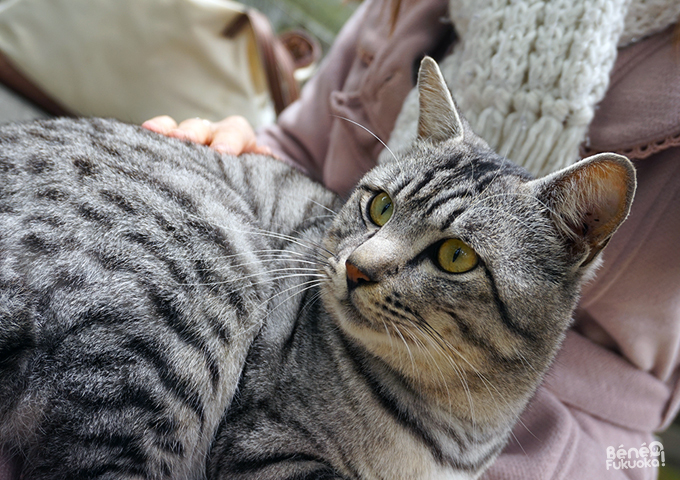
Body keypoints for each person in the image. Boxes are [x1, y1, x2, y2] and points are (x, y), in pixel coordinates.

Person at [143, 0, 680, 478]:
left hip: (555, 443)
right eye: (380, 208)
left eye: (453, 254)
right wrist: (241, 158)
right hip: (302, 309)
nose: (367, 262)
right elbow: (303, 148)